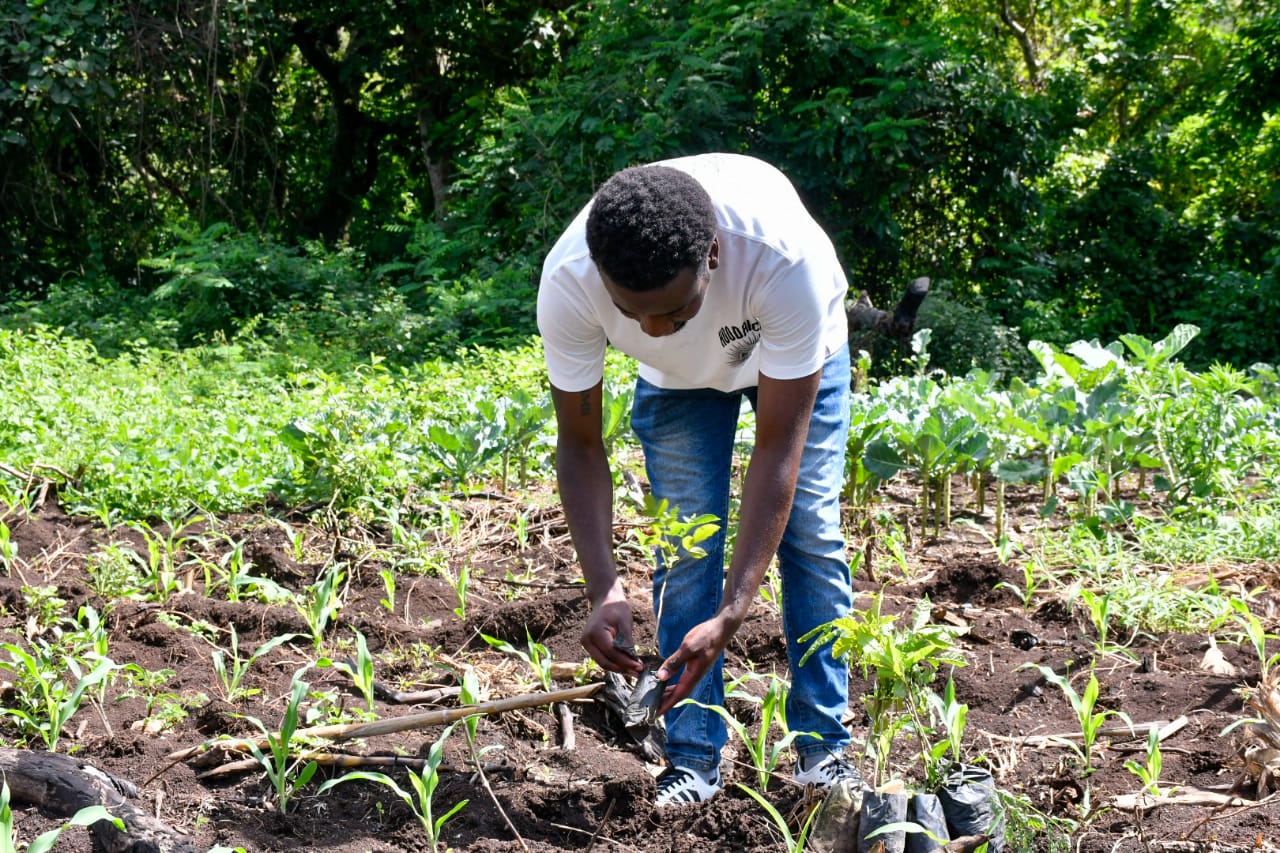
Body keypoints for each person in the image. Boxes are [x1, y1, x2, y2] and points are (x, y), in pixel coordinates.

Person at [537, 153, 861, 806]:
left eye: (675, 312)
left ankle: (823, 750)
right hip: (677, 385)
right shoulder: (571, 279)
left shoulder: (783, 259)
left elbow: (777, 452)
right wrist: (603, 585)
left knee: (811, 537)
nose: (654, 330)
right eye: (636, 316)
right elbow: (578, 442)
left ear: (713, 255)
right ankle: (691, 761)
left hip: (791, 351)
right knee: (686, 552)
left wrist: (735, 608)